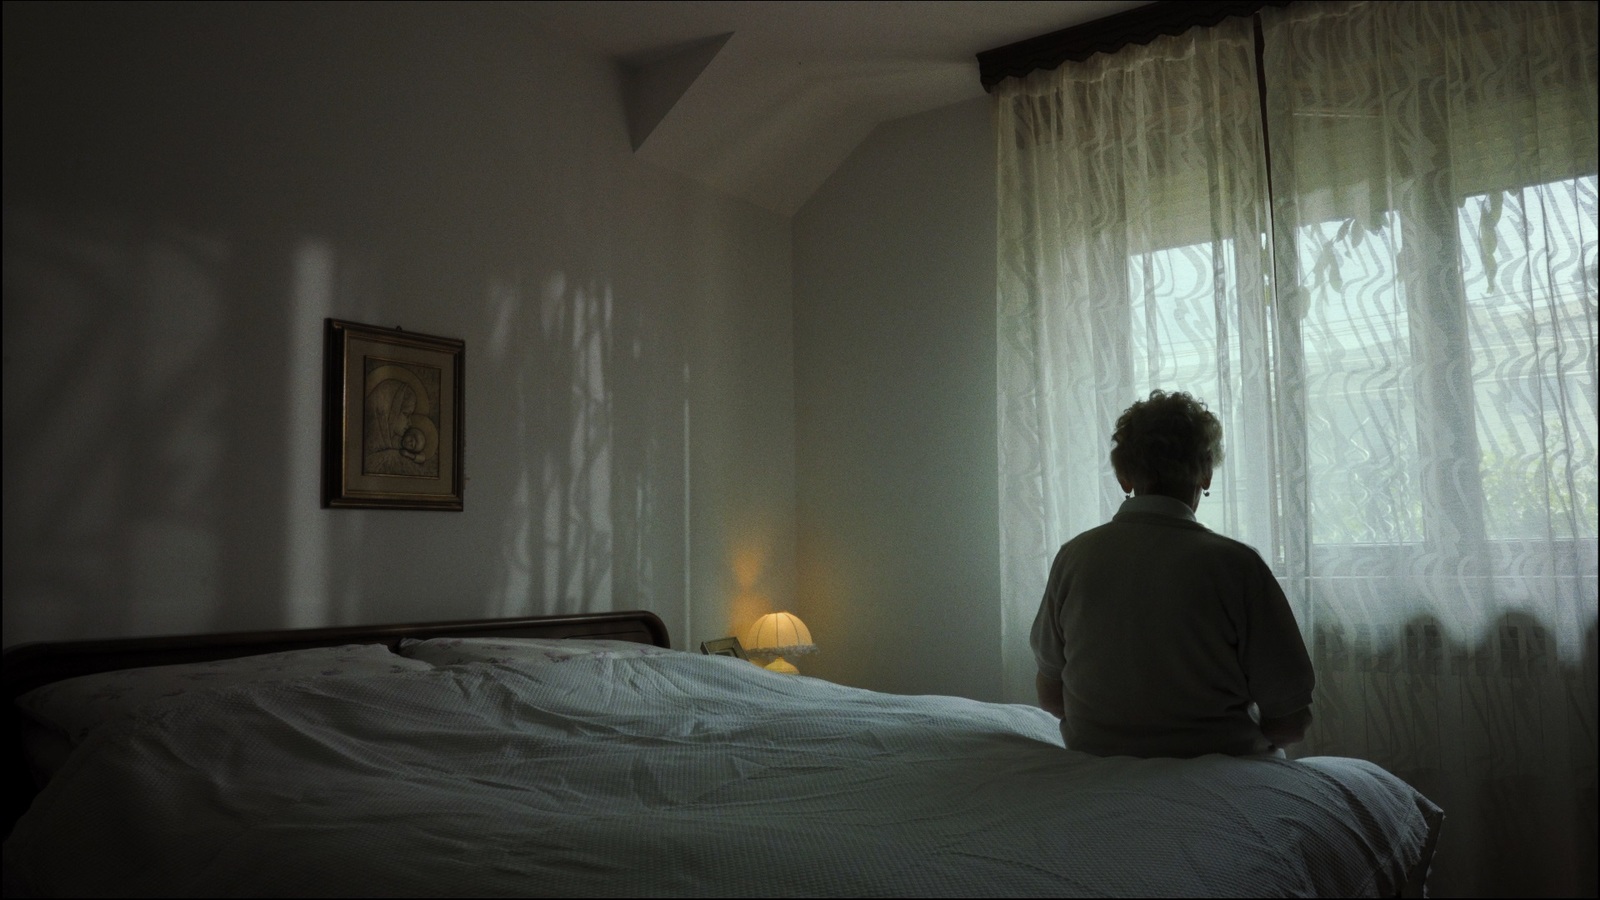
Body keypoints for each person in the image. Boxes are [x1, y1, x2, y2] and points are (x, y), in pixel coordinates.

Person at [1030, 390, 1315, 758]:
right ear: (1207, 470)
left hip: (1097, 766)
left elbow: (1052, 697)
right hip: (1223, 771)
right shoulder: (1236, 565)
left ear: (1123, 475)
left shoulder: (1074, 557)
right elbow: (1291, 720)